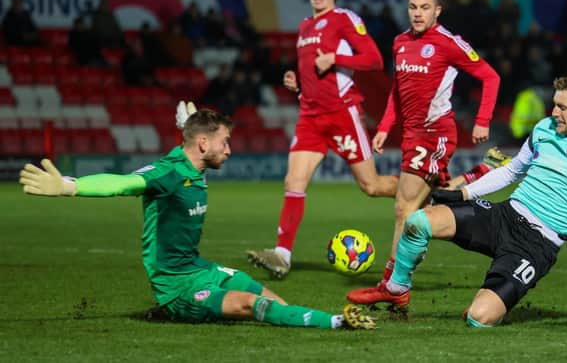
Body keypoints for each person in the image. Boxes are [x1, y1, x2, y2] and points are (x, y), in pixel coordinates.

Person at [19, 108, 375, 330]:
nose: (230, 149)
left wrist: (185, 124)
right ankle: (338, 321)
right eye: (225, 142)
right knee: (250, 305)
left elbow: (192, 139)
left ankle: (310, 320)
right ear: (204, 144)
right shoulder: (168, 173)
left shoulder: (195, 159)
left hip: (200, 269)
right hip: (175, 286)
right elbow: (123, 182)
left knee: (269, 298)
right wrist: (70, 186)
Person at [348, 72, 567, 327]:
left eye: (562, 107)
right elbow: (512, 171)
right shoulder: (544, 128)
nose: (554, 112)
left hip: (536, 245)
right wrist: (463, 193)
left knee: (478, 318)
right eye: (555, 104)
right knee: (418, 221)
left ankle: (490, 302)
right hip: (504, 215)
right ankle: (396, 290)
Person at [347, 0, 503, 301]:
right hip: (410, 135)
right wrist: (384, 127)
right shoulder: (400, 41)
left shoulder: (448, 42)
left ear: (437, 10)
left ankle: (393, 285)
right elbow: (396, 90)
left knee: (404, 206)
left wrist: (482, 120)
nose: (418, 14)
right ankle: (482, 173)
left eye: (425, 8)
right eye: (413, 7)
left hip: (435, 134)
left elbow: (491, 76)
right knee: (430, 200)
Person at [245, 0, 399, 278]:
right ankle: (282, 256)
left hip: (342, 113)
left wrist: (336, 58)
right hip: (311, 117)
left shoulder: (344, 19)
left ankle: (421, 190)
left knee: (371, 186)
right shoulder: (304, 28)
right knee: (294, 182)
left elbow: (374, 59)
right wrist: (296, 81)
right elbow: (311, 72)